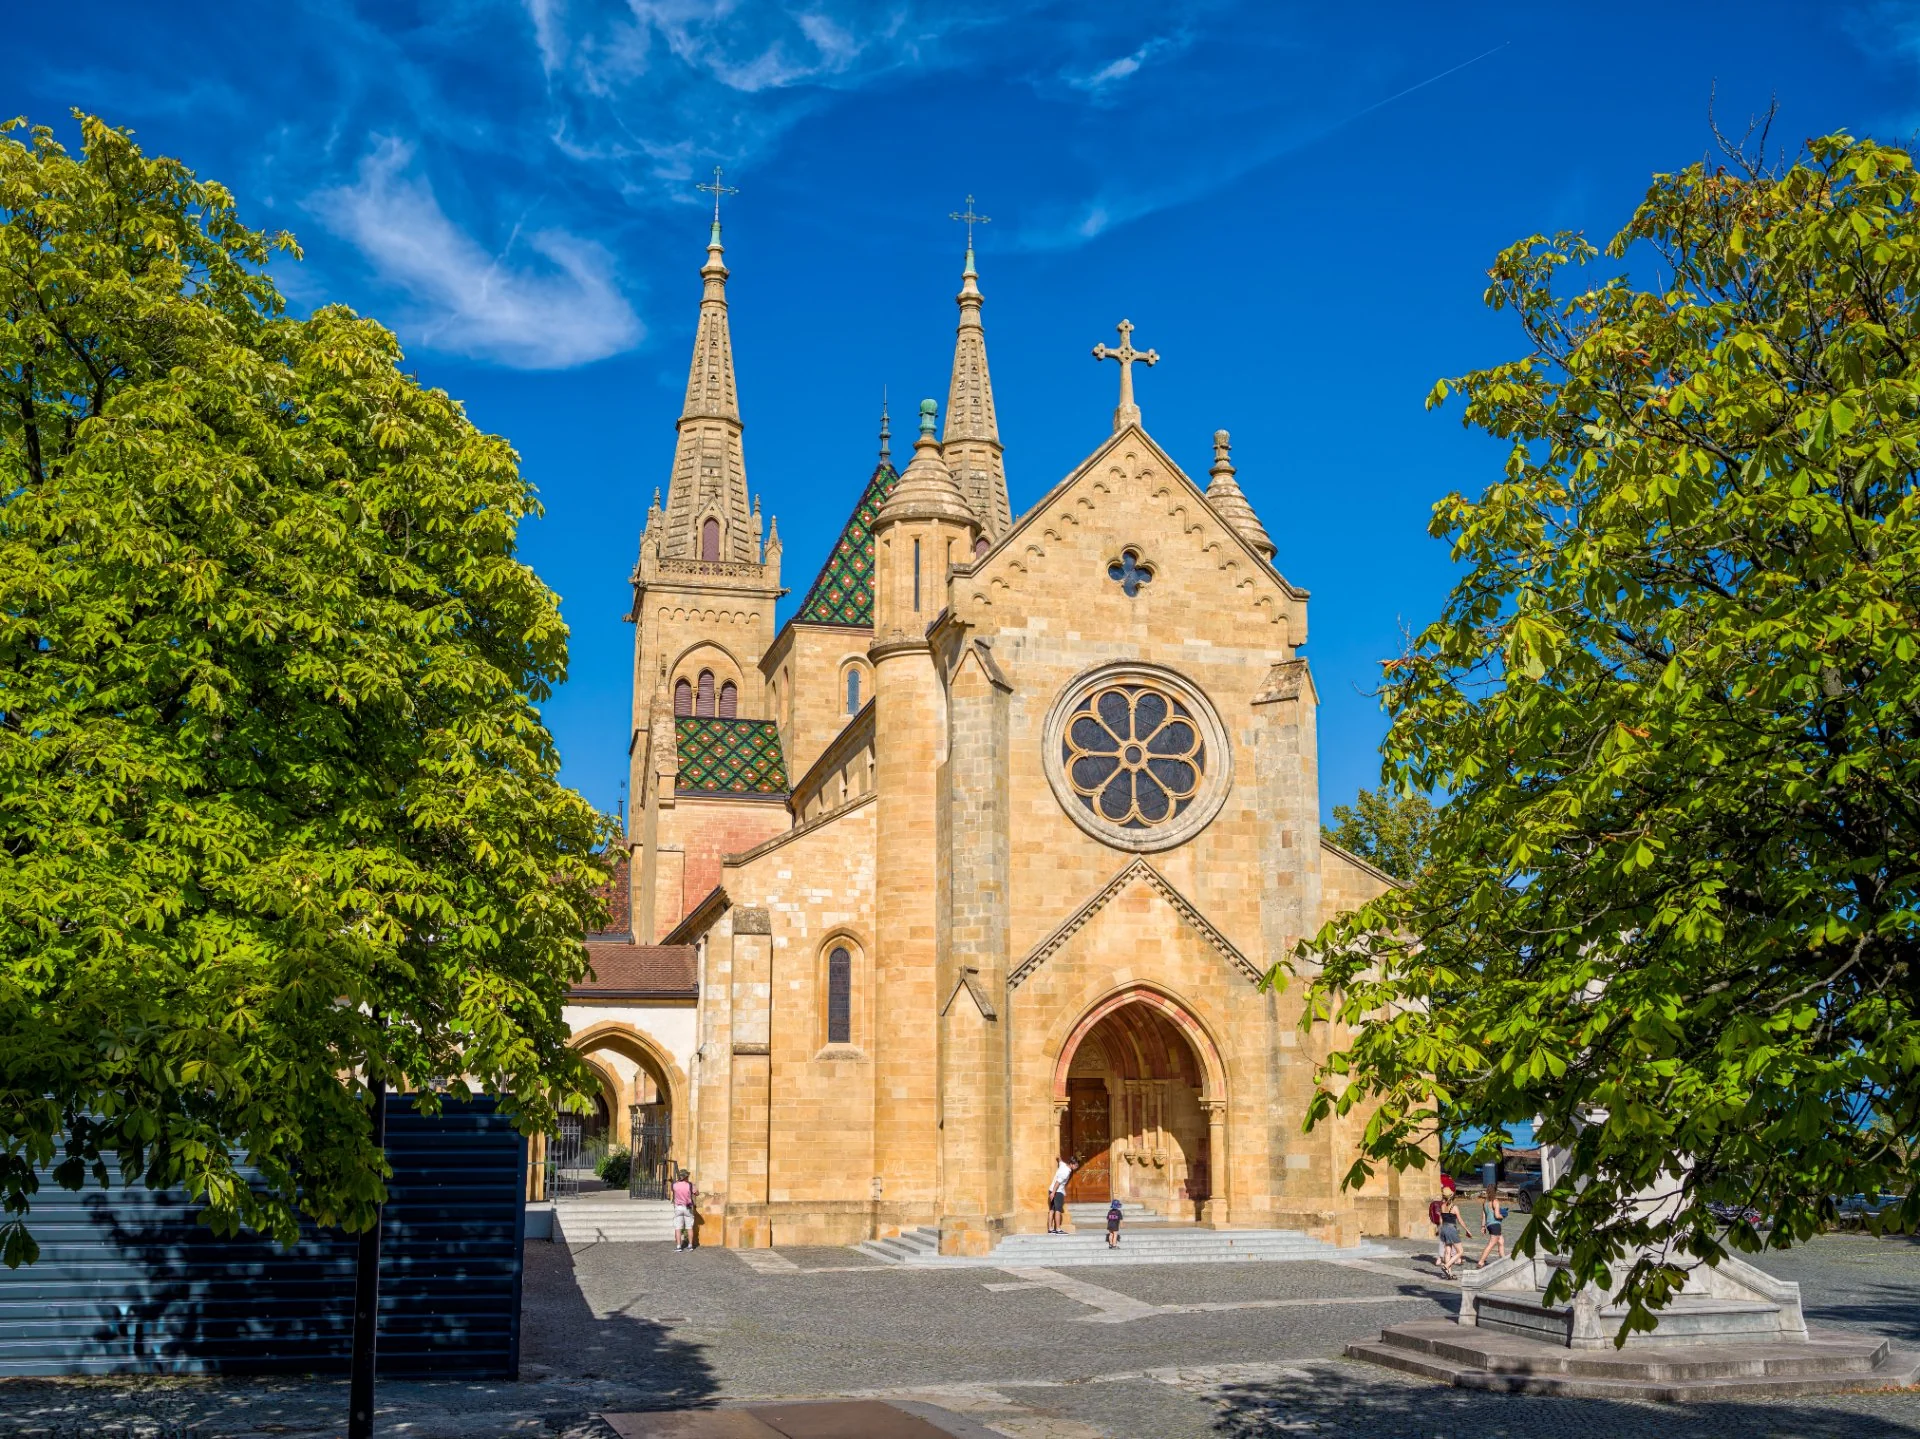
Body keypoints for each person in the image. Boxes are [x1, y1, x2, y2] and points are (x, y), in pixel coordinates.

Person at [1437, 1186, 1475, 1279]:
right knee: (1460, 1251)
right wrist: (1467, 1230)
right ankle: (1446, 1266)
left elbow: (1441, 1220)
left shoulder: (1442, 1206)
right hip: (1451, 1229)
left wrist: (1439, 1230)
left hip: (1444, 1229)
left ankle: (1449, 1274)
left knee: (1448, 1251)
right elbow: (1460, 1221)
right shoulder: (1454, 1207)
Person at [1477, 1186, 1509, 1268]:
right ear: (1495, 1192)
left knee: (1501, 1241)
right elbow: (1497, 1215)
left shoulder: (1485, 1202)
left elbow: (1484, 1216)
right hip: (1495, 1225)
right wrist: (1504, 1216)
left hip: (1489, 1225)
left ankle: (1503, 1259)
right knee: (1491, 1244)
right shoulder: (1495, 1201)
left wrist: (1483, 1226)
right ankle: (1481, 1262)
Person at [670, 1169, 697, 1252]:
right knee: (689, 1227)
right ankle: (690, 1245)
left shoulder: (674, 1185)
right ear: (686, 1177)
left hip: (678, 1207)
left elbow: (673, 1191)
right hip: (688, 1208)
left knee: (678, 1228)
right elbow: (697, 1193)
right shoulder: (690, 1185)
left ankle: (678, 1246)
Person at [1048, 1156, 1075, 1234]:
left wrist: (1057, 1157)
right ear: (1071, 1164)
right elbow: (1058, 1182)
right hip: (1057, 1192)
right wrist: (1053, 1193)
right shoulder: (1066, 1172)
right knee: (1058, 1210)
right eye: (1076, 1165)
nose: (1076, 1167)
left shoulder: (1063, 1165)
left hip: (1051, 1189)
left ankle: (1050, 1229)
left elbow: (1059, 1159)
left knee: (1051, 1210)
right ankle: (1058, 1229)